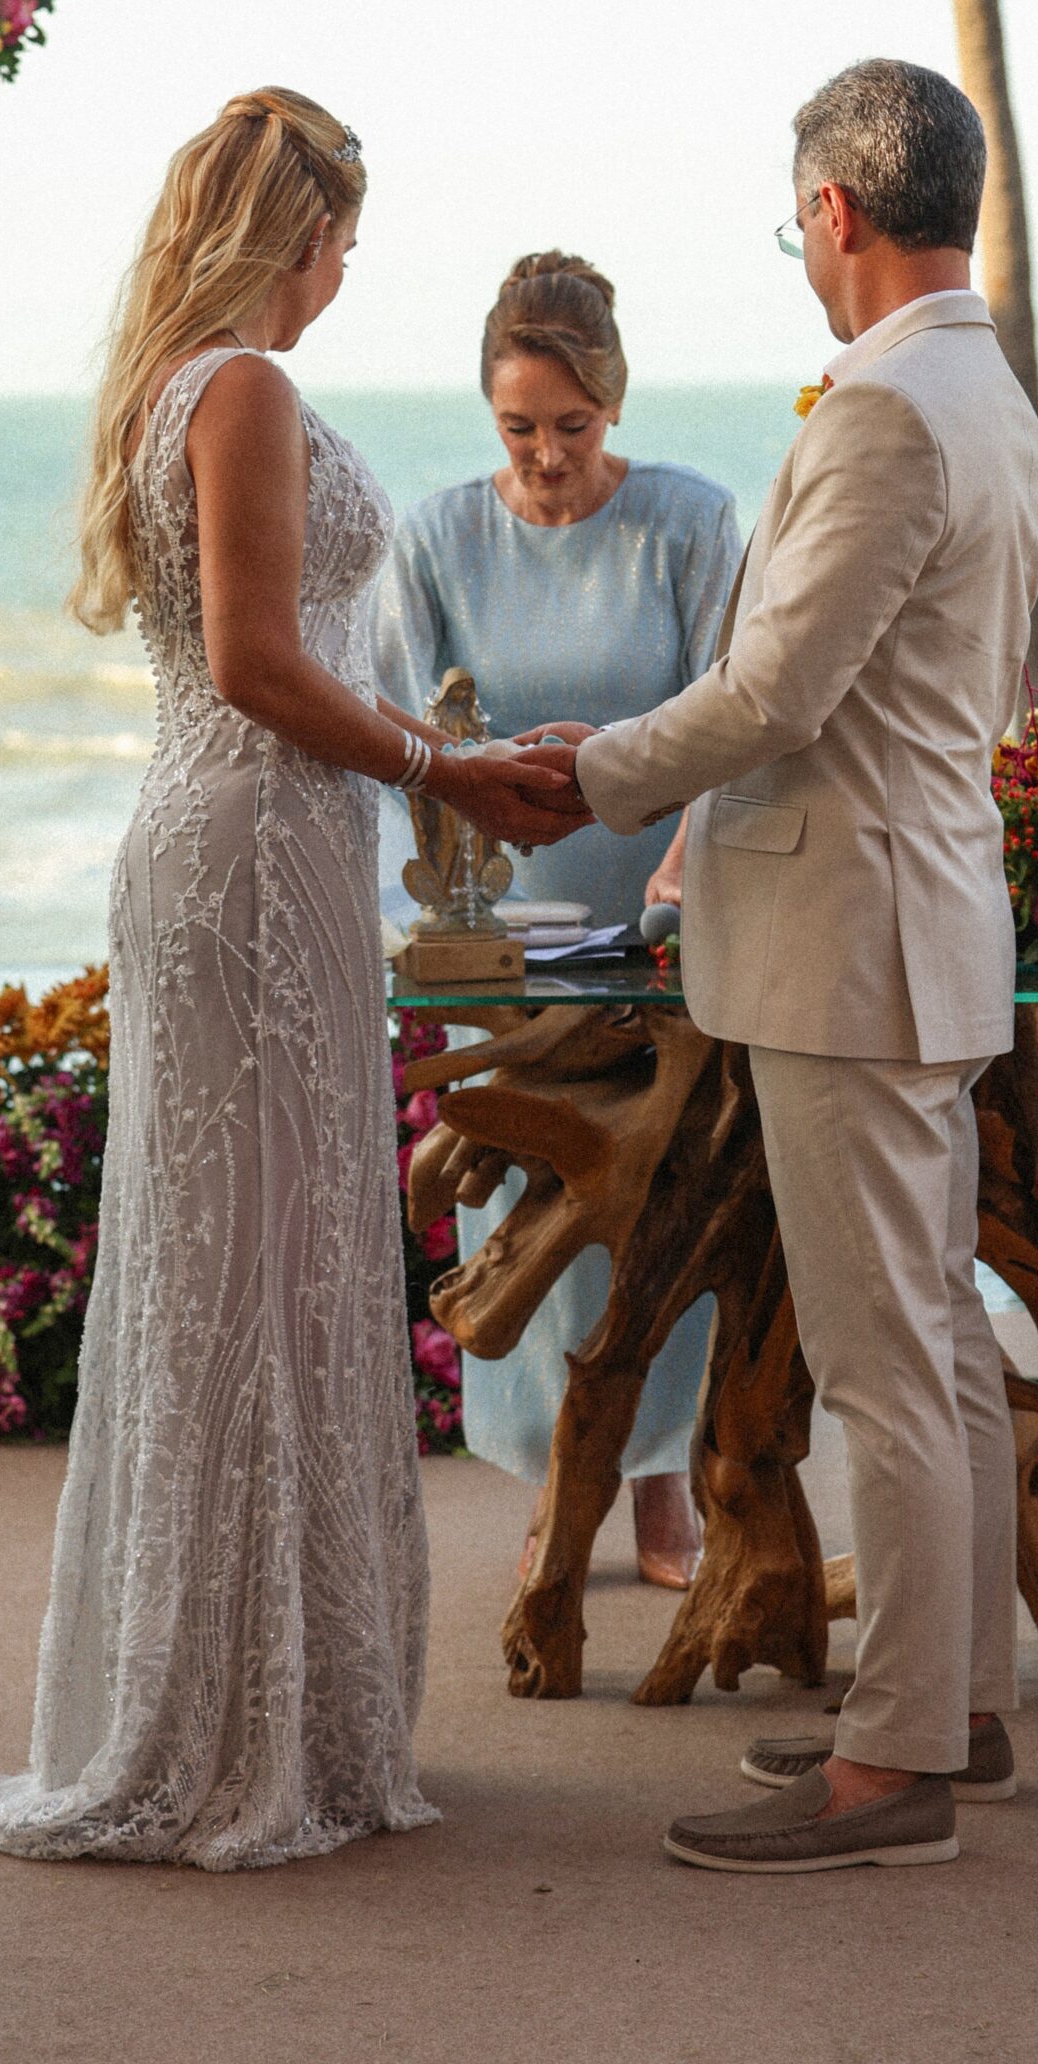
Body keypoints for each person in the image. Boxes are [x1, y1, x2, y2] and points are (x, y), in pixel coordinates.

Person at [0, 89, 578, 1872]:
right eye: (342, 236)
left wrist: (439, 761)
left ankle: (250, 1703)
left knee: (250, 1265)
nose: (348, 270)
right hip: (248, 863)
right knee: (253, 1271)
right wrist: (443, 773)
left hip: (249, 860)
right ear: (287, 234)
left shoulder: (181, 388)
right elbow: (256, 661)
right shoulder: (245, 388)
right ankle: (235, 1727)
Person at [518, 60, 1038, 1875]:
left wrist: (583, 776)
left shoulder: (891, 409)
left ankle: (898, 1774)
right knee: (943, 1349)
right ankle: (951, 1706)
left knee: (885, 1356)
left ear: (835, 210)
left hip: (852, 945)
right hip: (924, 919)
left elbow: (776, 697)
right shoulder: (993, 390)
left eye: (794, 224)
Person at [371, 252, 741, 1587]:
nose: (545, 457)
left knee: (660, 1197)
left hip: (657, 925)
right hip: (501, 925)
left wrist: (687, 875)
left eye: (570, 429)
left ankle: (659, 1495)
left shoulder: (693, 523)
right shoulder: (434, 539)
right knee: (534, 1203)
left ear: (615, 406)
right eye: (518, 429)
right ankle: (558, 1489)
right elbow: (398, 729)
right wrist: (424, 923)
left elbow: (730, 714)